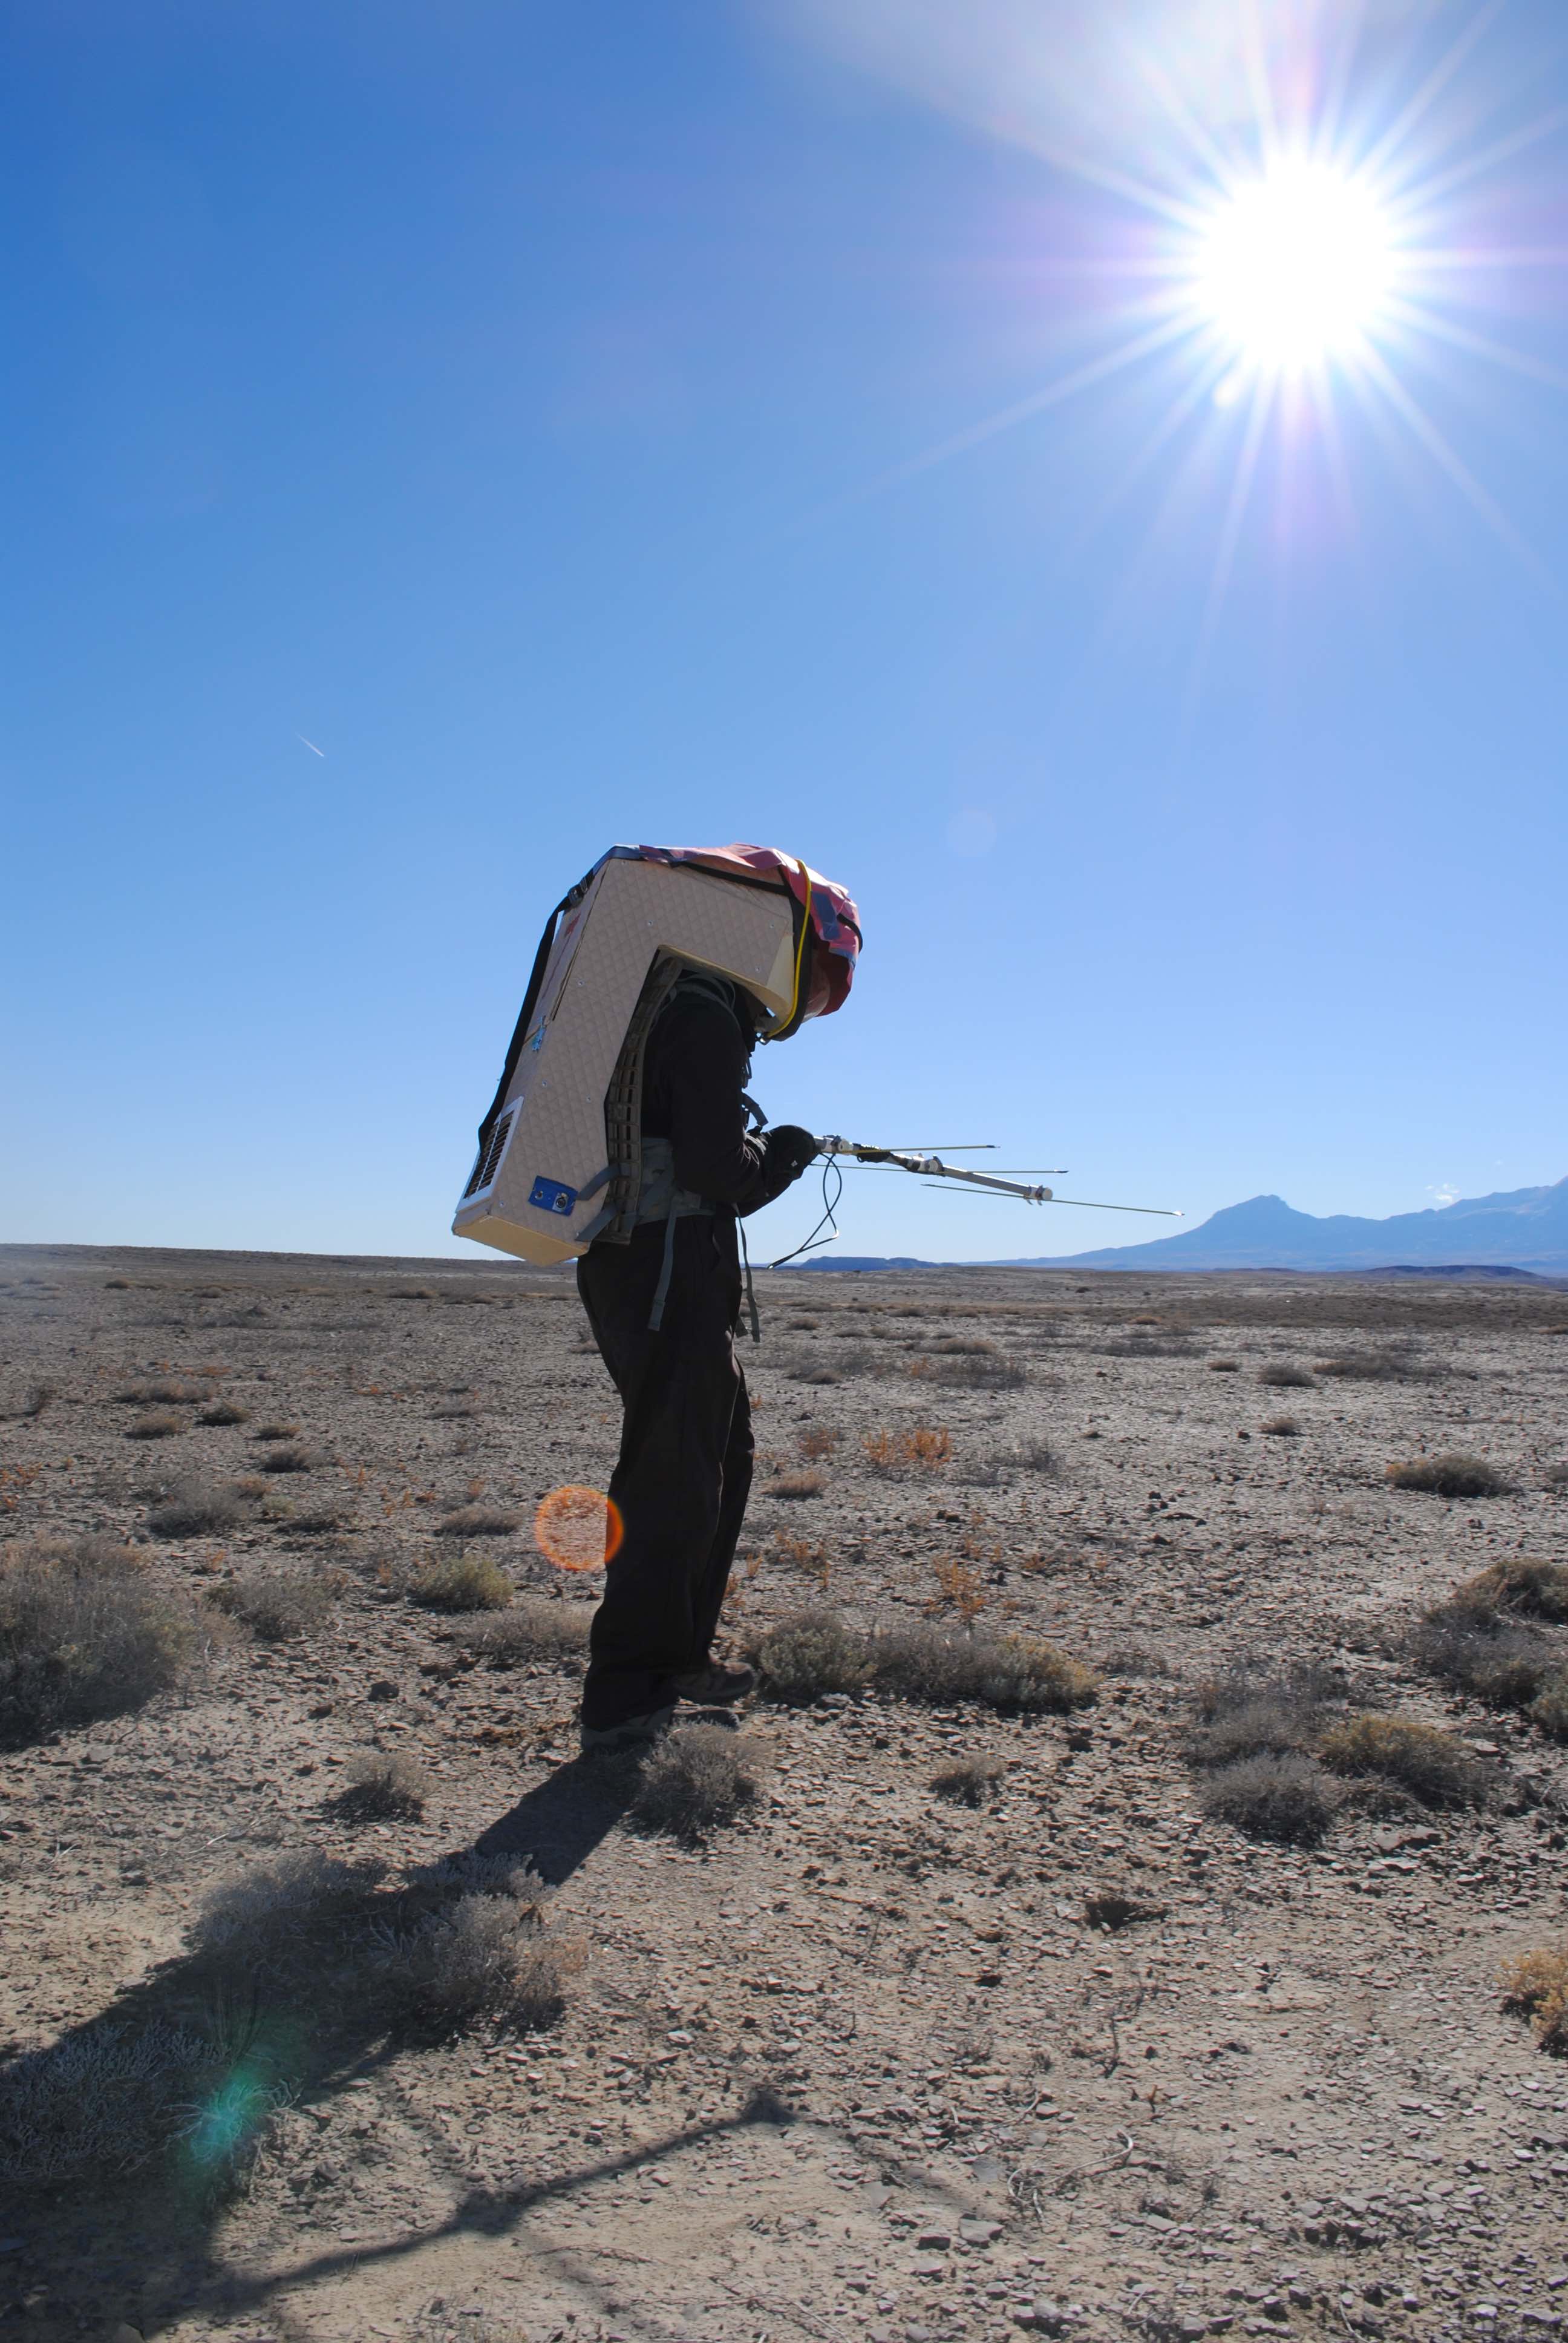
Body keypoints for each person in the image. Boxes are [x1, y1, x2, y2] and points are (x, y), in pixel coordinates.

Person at [575, 968, 818, 1751]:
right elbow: (717, 1174)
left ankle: (677, 1656)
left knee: (716, 1457)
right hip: (667, 1276)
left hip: (649, 1269)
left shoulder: (662, 1008)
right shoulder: (701, 1016)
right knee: (674, 1476)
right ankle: (628, 1692)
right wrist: (780, 1156)